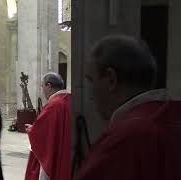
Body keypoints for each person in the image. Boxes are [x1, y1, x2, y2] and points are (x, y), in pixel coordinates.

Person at [76, 35, 181, 180]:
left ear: (111, 79)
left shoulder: (125, 140)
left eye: (91, 80)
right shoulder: (172, 119)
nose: (90, 96)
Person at [25, 72, 71, 180]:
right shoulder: (69, 100)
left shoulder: (53, 105)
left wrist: (31, 129)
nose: (42, 90)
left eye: (42, 86)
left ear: (49, 86)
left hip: (54, 155)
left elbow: (41, 135)